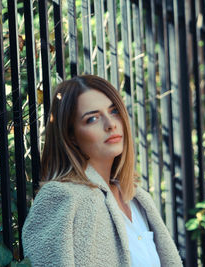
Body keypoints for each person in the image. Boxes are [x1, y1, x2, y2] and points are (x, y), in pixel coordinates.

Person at [22, 75, 182, 267]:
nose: (110, 124)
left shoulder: (137, 199)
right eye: (92, 119)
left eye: (114, 111)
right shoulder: (62, 196)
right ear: (71, 136)